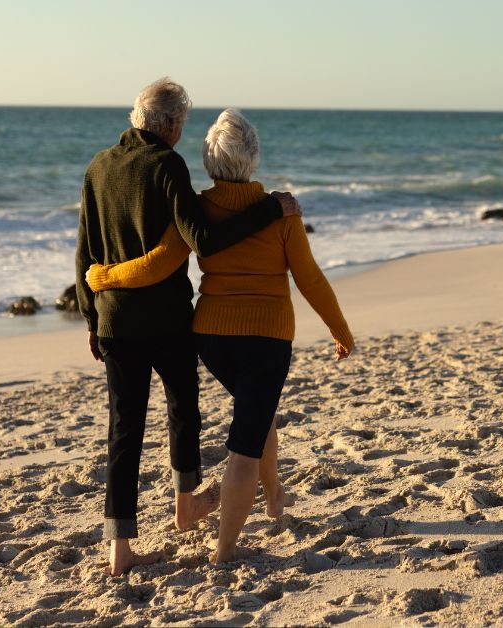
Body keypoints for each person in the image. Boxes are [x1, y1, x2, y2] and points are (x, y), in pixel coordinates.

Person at [86, 108, 354, 563]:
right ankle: (225, 550)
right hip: (266, 339)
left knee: (258, 411)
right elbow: (309, 279)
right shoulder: (282, 213)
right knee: (244, 448)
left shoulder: (196, 208)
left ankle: (274, 500)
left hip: (209, 337)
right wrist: (340, 330)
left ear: (210, 161)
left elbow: (161, 260)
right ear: (252, 158)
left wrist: (104, 278)